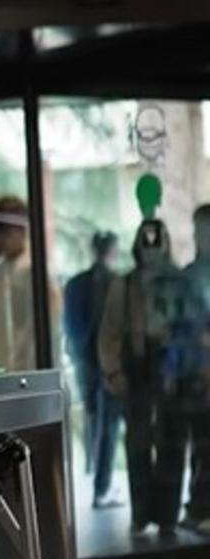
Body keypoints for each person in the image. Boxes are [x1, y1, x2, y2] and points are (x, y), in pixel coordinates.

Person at [99, 219, 190, 538]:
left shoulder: (179, 283)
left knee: (173, 443)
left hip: (174, 366)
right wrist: (113, 370)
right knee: (137, 443)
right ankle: (141, 515)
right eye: (146, 243)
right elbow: (108, 333)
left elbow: (191, 327)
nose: (152, 250)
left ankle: (167, 516)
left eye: (157, 243)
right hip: (136, 365)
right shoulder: (123, 285)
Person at [63, 231, 123, 509]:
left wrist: (79, 359)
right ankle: (101, 487)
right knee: (107, 426)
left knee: (96, 423)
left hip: (85, 364)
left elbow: (72, 331)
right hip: (108, 366)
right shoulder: (118, 284)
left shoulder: (75, 285)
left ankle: (98, 482)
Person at [176, 205, 210, 534]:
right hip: (196, 375)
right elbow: (183, 329)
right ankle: (198, 508)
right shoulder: (187, 278)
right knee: (203, 444)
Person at [0, 196, 36, 372]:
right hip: (0, 370)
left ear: (20, 229)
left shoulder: (34, 269)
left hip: (30, 371)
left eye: (3, 233)